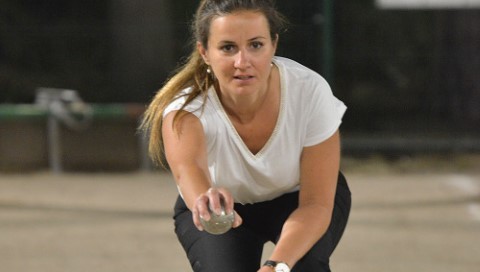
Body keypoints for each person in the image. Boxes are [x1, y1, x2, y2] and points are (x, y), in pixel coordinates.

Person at [141, 0, 351, 271]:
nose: (243, 61)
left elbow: (316, 204)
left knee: (304, 266)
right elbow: (190, 176)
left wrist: (277, 266)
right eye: (228, 48)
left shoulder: (310, 91)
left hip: (300, 199)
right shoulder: (185, 112)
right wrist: (206, 201)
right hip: (226, 211)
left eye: (256, 45)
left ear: (273, 45)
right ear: (204, 52)